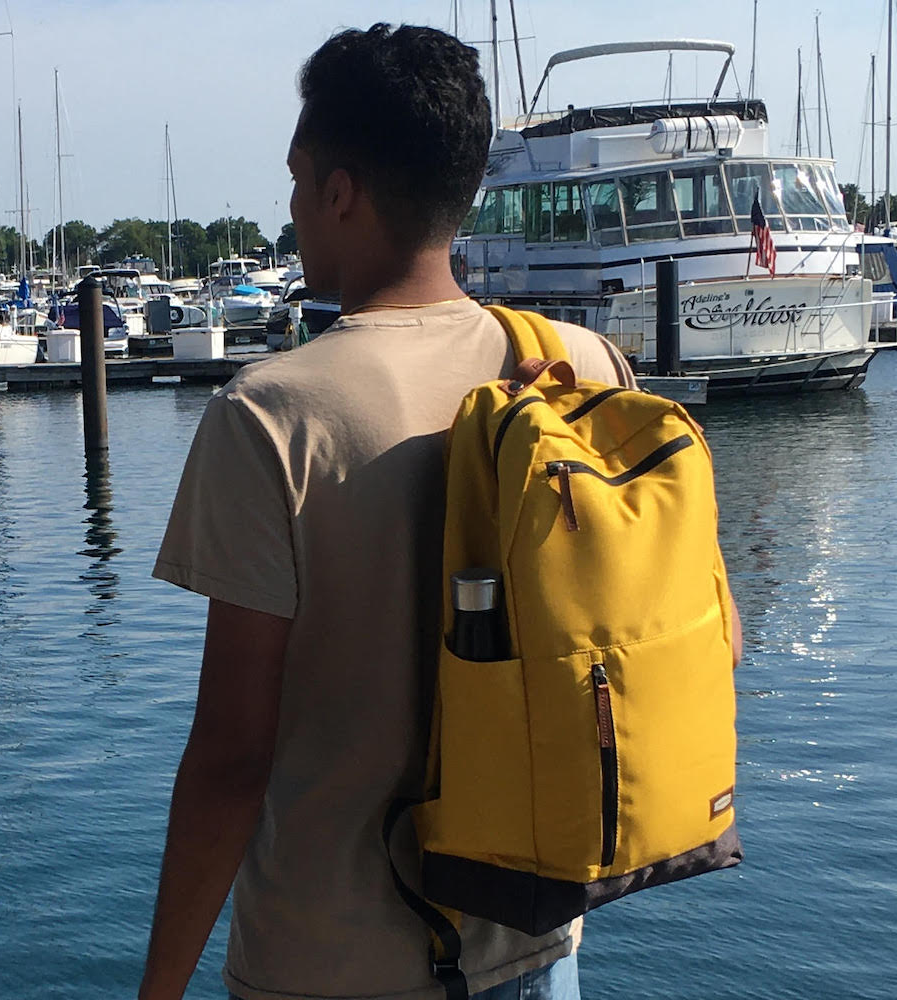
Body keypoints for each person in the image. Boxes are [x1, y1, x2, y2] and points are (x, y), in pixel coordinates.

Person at [139, 23, 640, 1000]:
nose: (293, 208)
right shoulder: (580, 366)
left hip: (327, 967)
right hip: (536, 949)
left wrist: (158, 988)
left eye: (298, 181)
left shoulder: (272, 414)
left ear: (341, 191)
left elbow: (233, 759)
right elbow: (707, 635)